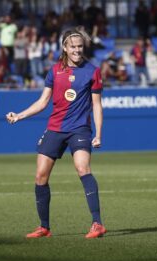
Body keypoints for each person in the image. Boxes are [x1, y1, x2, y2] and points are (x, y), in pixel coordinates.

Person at [6, 28, 106, 239]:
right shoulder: (54, 71)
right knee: (40, 176)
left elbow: (97, 105)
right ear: (65, 48)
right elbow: (43, 102)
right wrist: (20, 116)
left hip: (80, 129)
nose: (77, 50)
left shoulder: (92, 71)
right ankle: (44, 227)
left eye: (80, 46)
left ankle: (97, 223)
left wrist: (98, 133)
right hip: (55, 128)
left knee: (82, 168)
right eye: (73, 47)